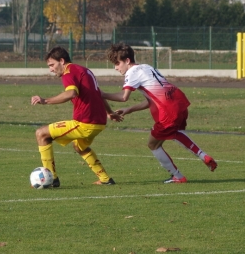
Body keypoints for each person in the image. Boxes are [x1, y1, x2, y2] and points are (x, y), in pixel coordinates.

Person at [101, 43, 217, 183]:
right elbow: (151, 100)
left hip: (167, 111)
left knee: (153, 144)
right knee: (173, 133)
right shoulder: (147, 67)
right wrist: (129, 110)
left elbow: (123, 97)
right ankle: (203, 157)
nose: (115, 67)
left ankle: (178, 176)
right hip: (179, 102)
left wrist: (101, 94)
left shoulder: (132, 72)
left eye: (117, 63)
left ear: (127, 61)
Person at [31, 46, 122, 187]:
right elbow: (98, 94)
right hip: (99, 122)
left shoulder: (69, 72)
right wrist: (109, 113)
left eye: (52, 65)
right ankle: (105, 179)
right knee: (79, 147)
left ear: (62, 61)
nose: (51, 69)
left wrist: (45, 101)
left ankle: (51, 179)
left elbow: (71, 93)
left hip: (85, 122)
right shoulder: (85, 70)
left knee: (41, 134)